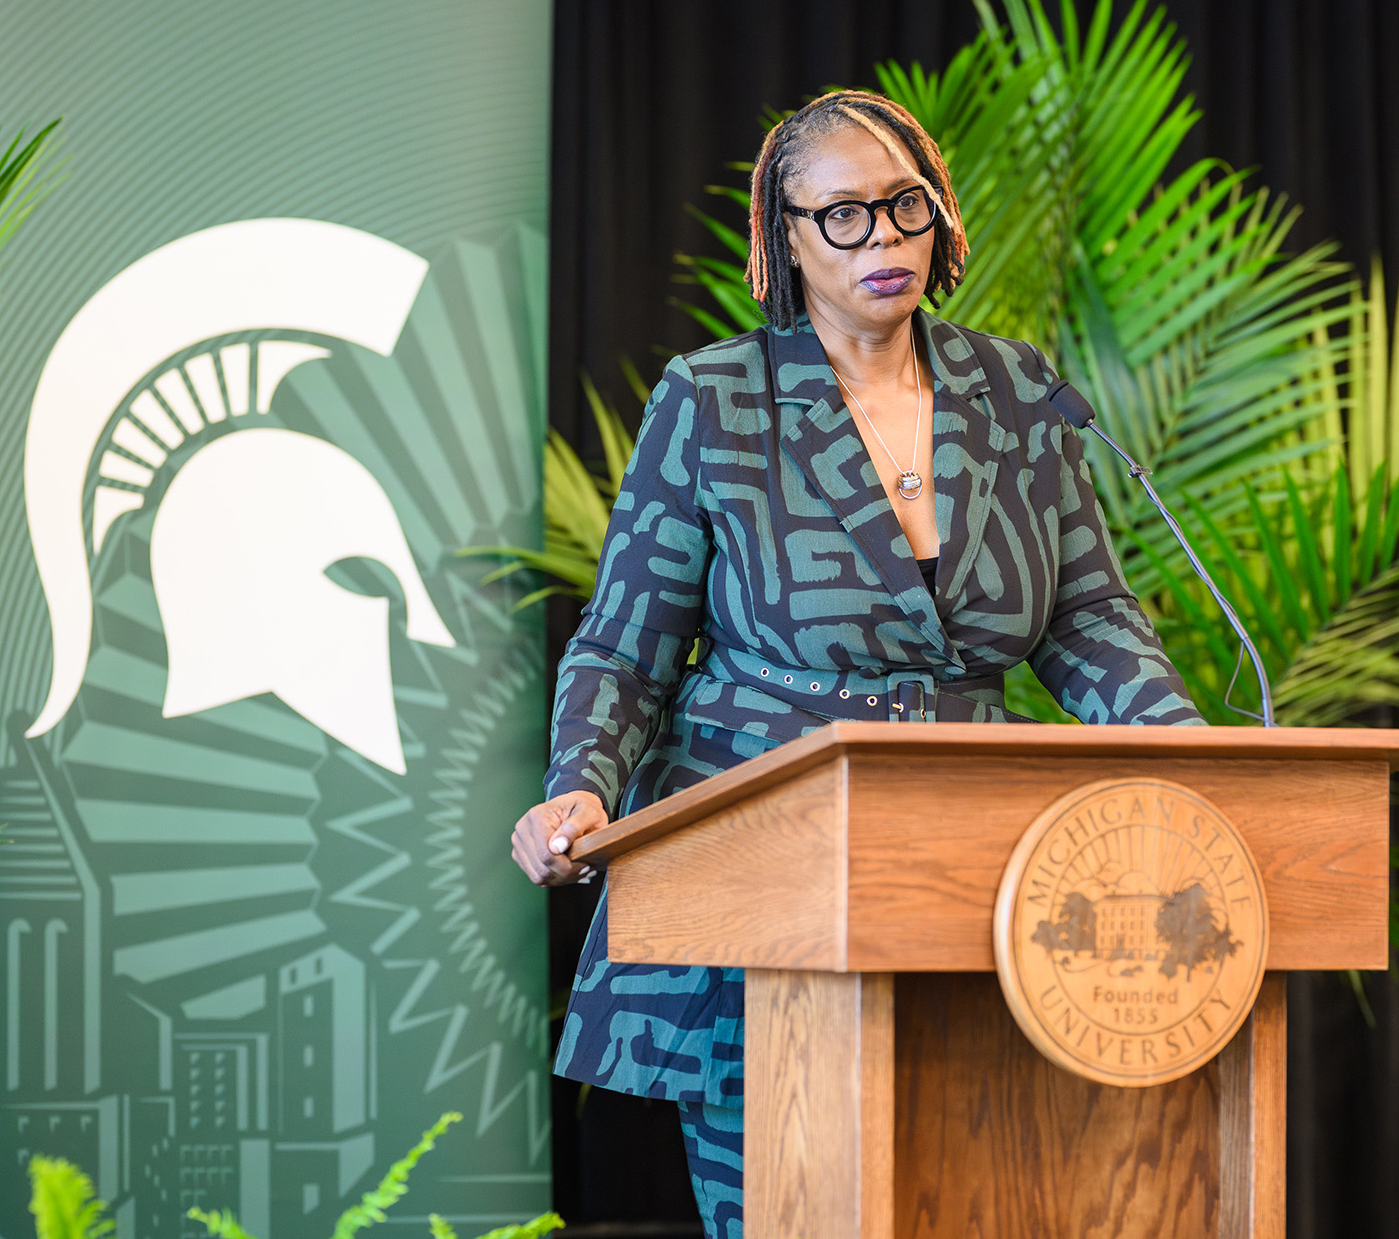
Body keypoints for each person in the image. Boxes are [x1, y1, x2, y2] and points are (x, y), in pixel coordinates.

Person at [510, 88, 1204, 1239]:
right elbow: (627, 642)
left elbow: (1087, 617)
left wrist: (1189, 757)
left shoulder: (1015, 391)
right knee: (795, 1199)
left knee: (975, 1193)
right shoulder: (716, 399)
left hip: (978, 866)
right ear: (784, 236)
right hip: (764, 860)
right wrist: (579, 780)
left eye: (904, 206)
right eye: (841, 216)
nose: (882, 238)